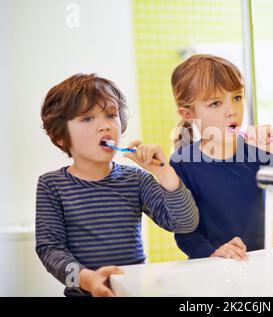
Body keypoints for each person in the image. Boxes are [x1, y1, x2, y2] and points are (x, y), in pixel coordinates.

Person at [36, 73, 199, 296]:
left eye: (111, 115)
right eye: (87, 118)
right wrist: (87, 280)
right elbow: (50, 252)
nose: (104, 126)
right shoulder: (51, 185)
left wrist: (165, 173)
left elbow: (184, 224)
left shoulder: (136, 180)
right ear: (60, 137)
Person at [170, 54, 273, 261]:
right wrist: (213, 253)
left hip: (258, 266)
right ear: (188, 114)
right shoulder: (182, 163)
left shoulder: (258, 152)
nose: (232, 111)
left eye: (237, 97)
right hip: (210, 270)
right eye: (215, 103)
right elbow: (185, 232)